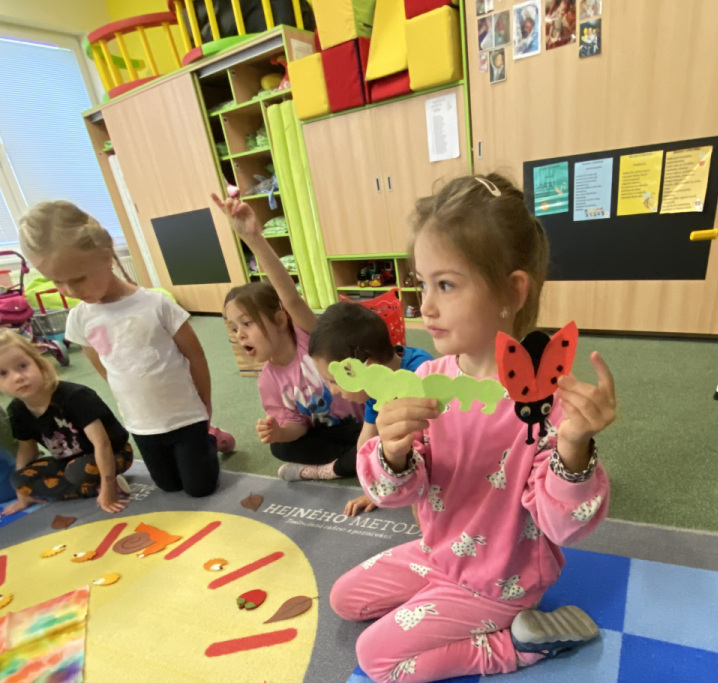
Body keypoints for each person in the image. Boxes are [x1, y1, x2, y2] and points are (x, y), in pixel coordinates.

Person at [330, 172, 616, 683]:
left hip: (500, 581)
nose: (425, 306)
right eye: (422, 283)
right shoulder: (427, 378)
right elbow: (393, 494)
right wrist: (391, 453)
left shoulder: (543, 401)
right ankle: (444, 607)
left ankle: (518, 645)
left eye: (446, 284)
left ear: (512, 290)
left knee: (376, 658)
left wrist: (574, 446)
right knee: (344, 600)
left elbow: (564, 527)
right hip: (441, 554)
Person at [18, 201, 219, 497]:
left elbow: (195, 355)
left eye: (78, 279)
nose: (70, 291)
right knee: (168, 486)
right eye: (57, 282)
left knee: (199, 488)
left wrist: (205, 402)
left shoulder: (155, 304)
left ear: (106, 254)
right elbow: (104, 367)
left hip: (186, 416)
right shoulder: (80, 318)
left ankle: (212, 439)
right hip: (142, 423)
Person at [213, 194, 365, 481]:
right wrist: (279, 432)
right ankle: (353, 461)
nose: (239, 333)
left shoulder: (310, 337)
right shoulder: (267, 381)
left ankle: (331, 469)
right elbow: (298, 425)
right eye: (233, 328)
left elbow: (289, 297)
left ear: (281, 320)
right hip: (332, 435)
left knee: (387, 428)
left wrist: (253, 239)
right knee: (280, 448)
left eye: (247, 323)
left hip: (366, 420)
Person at [309, 300, 430, 516]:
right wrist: (373, 489)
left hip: (439, 458)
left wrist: (386, 485)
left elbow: (429, 453)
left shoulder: (420, 374)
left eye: (334, 381)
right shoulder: (377, 386)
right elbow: (365, 442)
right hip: (412, 458)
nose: (332, 390)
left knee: (421, 511)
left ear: (367, 367)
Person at [0, 330, 132, 515]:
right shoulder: (17, 410)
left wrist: (109, 490)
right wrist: (21, 493)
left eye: (23, 366)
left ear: (39, 364)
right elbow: (27, 449)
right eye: (3, 373)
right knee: (19, 479)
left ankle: (108, 482)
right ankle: (91, 489)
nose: (17, 377)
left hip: (115, 453)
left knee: (77, 471)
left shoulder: (74, 397)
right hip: (68, 461)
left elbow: (102, 443)